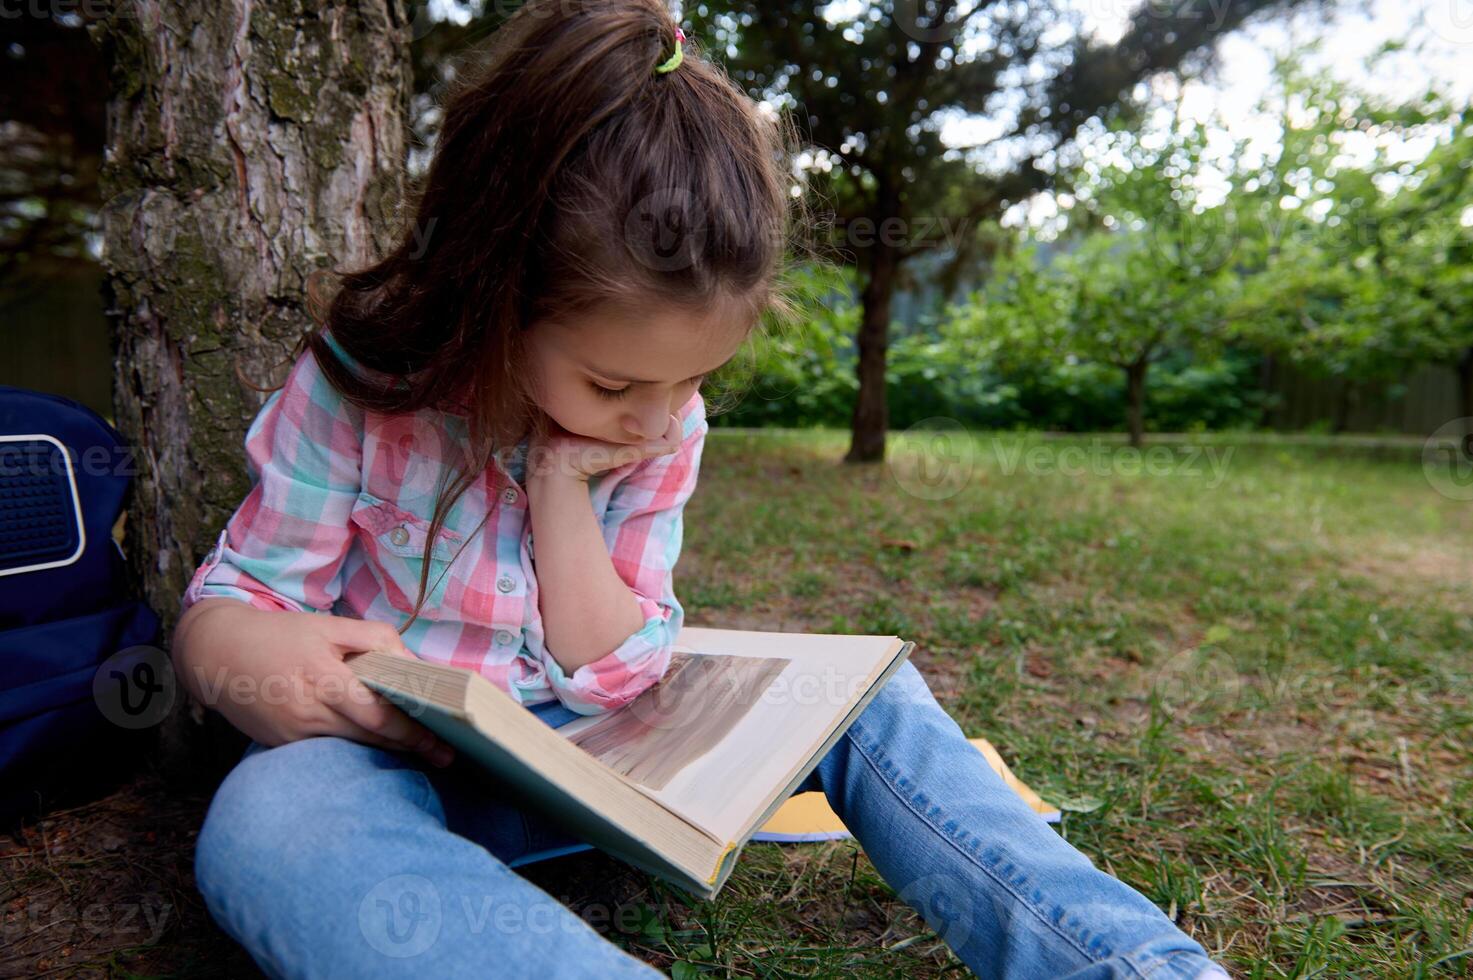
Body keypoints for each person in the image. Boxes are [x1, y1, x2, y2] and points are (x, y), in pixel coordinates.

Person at [170, 2, 1231, 976]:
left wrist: (558, 482)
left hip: (607, 754)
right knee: (269, 818)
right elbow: (237, 599)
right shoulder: (364, 388)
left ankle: (1135, 964)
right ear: (497, 290)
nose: (657, 414)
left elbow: (615, 659)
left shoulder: (661, 419)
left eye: (693, 379)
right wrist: (252, 659)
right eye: (616, 381)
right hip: (409, 773)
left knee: (870, 697)